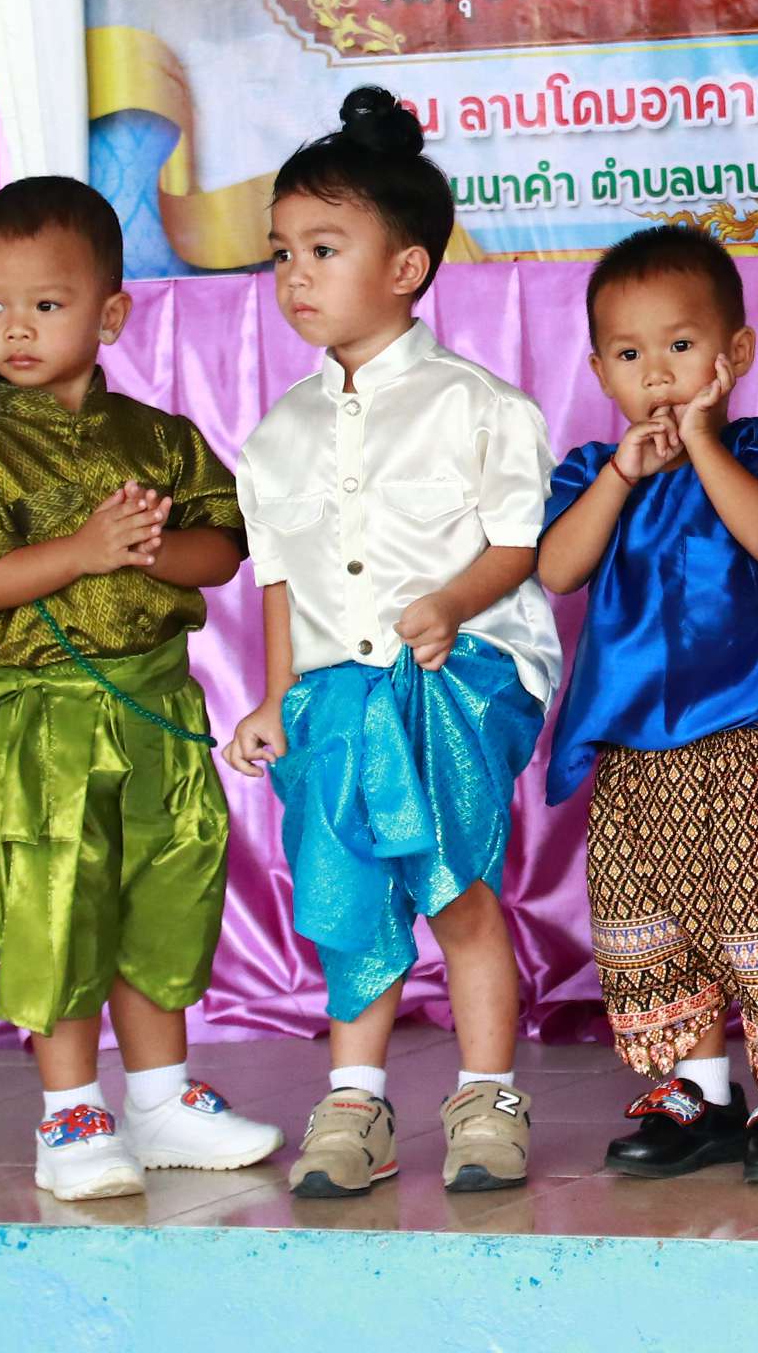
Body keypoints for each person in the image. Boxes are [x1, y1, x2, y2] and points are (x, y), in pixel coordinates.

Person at [224, 88, 562, 1198]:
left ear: (407, 267)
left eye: (324, 249)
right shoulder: (276, 434)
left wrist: (452, 604)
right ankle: (355, 1105)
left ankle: (487, 1096)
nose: (297, 276)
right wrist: (275, 696)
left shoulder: (479, 406)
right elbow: (280, 579)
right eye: (282, 253)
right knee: (352, 891)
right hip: (335, 694)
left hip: (452, 682)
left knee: (456, 887)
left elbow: (518, 546)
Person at [0, 175, 277, 1202]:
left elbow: (226, 549)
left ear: (111, 313)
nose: (17, 328)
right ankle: (71, 1113)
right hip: (45, 724)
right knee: (60, 902)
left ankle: (160, 1100)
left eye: (46, 303)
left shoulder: (160, 439)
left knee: (166, 890)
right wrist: (83, 550)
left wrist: (149, 548)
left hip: (156, 707)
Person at [536, 225, 758, 1186]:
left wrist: (703, 441)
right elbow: (558, 569)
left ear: (734, 353)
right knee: (654, 918)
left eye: (680, 345)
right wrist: (622, 473)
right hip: (634, 751)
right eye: (629, 355)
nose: (658, 373)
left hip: (748, 738)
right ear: (599, 371)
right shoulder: (595, 469)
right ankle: (701, 1090)